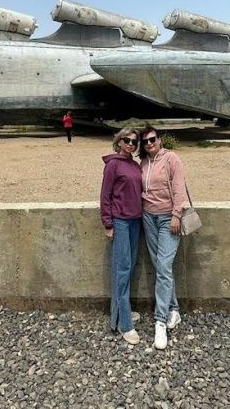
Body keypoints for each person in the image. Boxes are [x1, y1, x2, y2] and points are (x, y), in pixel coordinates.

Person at [138, 126, 188, 350]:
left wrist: (176, 215)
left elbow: (179, 189)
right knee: (161, 267)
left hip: (168, 218)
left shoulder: (171, 159)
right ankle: (174, 310)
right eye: (145, 141)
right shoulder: (143, 163)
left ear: (159, 139)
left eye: (152, 139)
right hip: (148, 218)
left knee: (164, 267)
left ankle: (160, 321)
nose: (149, 143)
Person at [100, 127, 143, 344]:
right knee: (122, 270)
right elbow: (105, 195)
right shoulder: (113, 165)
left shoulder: (135, 165)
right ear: (119, 142)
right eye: (127, 140)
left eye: (134, 141)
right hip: (121, 222)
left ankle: (119, 311)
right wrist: (108, 224)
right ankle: (124, 324)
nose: (131, 144)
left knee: (129, 267)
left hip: (136, 221)